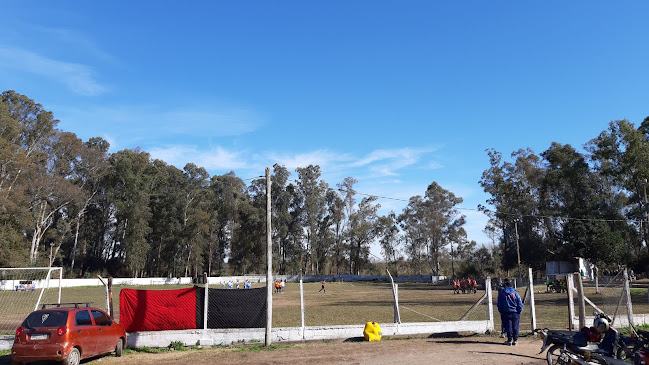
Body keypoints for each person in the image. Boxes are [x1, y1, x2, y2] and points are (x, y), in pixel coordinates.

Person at [497, 278, 523, 346]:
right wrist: (519, 311)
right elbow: (519, 303)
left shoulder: (502, 293)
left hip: (505, 312)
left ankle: (509, 340)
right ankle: (515, 340)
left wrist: (501, 311)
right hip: (515, 312)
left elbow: (499, 303)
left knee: (508, 327)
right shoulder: (515, 293)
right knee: (515, 326)